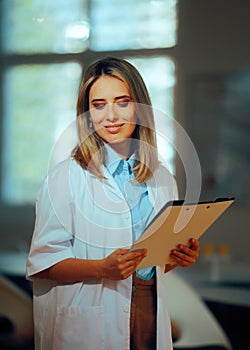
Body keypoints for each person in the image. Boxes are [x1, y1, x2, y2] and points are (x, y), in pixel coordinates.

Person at [26, 57, 200, 350]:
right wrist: (102, 268)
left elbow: (149, 263)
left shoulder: (161, 177)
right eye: (99, 104)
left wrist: (175, 258)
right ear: (87, 113)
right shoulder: (65, 178)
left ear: (140, 107)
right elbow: (42, 264)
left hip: (149, 309)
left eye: (122, 102)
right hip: (91, 318)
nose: (111, 116)